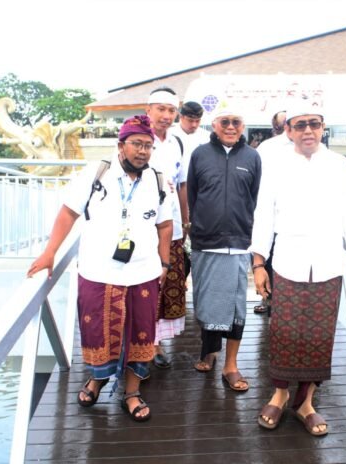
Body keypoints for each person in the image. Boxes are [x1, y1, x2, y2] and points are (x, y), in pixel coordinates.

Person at [27, 115, 172, 422]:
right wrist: (49, 252)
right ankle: (97, 380)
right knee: (97, 332)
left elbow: (165, 225)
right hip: (98, 271)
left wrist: (164, 262)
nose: (143, 152)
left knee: (141, 336)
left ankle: (132, 392)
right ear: (121, 146)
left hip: (143, 272)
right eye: (137, 144)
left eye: (148, 146)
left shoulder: (157, 180)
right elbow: (67, 214)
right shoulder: (95, 174)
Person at [251, 103, 346, 436]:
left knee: (318, 337)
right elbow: (263, 215)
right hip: (288, 260)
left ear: (322, 127)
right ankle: (280, 393)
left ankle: (306, 403)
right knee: (285, 333)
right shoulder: (274, 166)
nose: (307, 131)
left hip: (329, 261)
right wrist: (259, 263)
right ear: (288, 130)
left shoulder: (339, 165)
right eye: (300, 125)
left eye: (314, 124)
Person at [187, 107, 261, 392]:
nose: (231, 126)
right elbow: (193, 194)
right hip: (206, 240)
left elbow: (254, 198)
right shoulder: (200, 155)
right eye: (225, 122)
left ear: (243, 126)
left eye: (236, 122)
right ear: (214, 125)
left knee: (235, 305)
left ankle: (231, 364)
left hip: (239, 242)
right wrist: (200, 224)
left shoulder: (252, 157)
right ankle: (208, 351)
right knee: (206, 301)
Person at [146, 87, 187, 370]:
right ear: (148, 110)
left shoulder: (176, 142)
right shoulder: (134, 138)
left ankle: (155, 342)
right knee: (142, 284)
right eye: (161, 109)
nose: (166, 116)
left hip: (170, 227)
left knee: (165, 285)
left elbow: (182, 184)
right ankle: (139, 341)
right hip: (142, 228)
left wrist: (186, 222)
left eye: (171, 110)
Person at [252, 110, 289, 315]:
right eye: (279, 125)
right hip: (268, 213)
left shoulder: (315, 148)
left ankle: (279, 303)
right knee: (266, 259)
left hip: (292, 219)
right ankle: (268, 300)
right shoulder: (267, 148)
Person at [170, 101, 211, 276]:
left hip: (202, 197)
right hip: (176, 194)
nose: (194, 125)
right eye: (190, 120)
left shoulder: (207, 137)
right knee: (179, 241)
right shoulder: (170, 135)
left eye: (198, 120)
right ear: (181, 116)